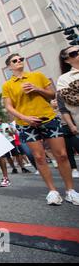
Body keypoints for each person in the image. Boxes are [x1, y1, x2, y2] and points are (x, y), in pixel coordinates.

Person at [2, 53, 79, 205]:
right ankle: (52, 191)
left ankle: (70, 191)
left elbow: (52, 95)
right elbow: (8, 106)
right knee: (39, 158)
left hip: (49, 119)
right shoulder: (7, 85)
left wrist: (37, 89)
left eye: (20, 59)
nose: (19, 62)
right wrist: (25, 118)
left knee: (62, 155)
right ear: (9, 66)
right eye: (14, 61)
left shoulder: (37, 75)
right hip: (26, 124)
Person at [57, 46, 79, 178]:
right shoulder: (64, 79)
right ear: (66, 60)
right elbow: (70, 100)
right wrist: (71, 125)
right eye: (74, 53)